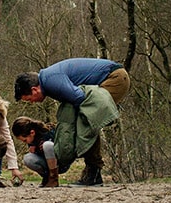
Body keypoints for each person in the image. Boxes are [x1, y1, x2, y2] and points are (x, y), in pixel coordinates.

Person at [14, 58, 129, 186]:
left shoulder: (50, 81)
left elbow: (80, 98)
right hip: (112, 76)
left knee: (87, 122)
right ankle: (92, 173)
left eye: (30, 99)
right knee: (85, 122)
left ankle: (93, 174)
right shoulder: (48, 80)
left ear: (35, 90)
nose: (32, 102)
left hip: (114, 78)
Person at [11, 116, 59, 187]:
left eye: (25, 140)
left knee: (47, 145)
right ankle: (46, 177)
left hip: (59, 162)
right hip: (46, 164)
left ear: (32, 133)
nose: (25, 142)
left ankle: (54, 178)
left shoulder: (48, 132)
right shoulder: (31, 141)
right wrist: (35, 151)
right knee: (28, 158)